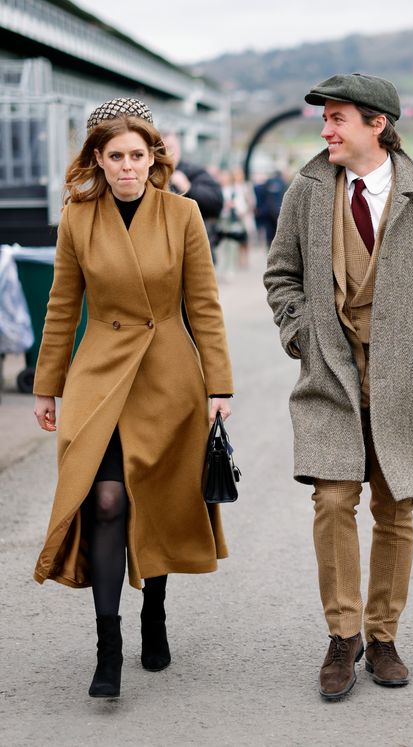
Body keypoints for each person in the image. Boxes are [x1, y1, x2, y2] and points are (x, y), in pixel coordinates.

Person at [263, 73, 413, 701]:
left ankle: (383, 637)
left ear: (377, 124)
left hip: (402, 377)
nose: (325, 130)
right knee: (331, 503)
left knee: (395, 508)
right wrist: (299, 333)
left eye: (337, 119)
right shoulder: (305, 192)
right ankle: (342, 635)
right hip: (329, 373)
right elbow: (282, 274)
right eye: (324, 120)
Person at [31, 98, 234, 699]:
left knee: (158, 497)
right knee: (109, 498)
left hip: (169, 378)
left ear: (153, 158)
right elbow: (63, 306)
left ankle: (155, 613)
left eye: (136, 156)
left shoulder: (184, 214)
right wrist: (48, 385)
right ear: (97, 158)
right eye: (115, 156)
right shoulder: (78, 217)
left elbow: (204, 306)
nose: (126, 167)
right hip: (99, 375)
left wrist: (220, 385)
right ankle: (108, 645)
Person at [162, 131, 224, 251]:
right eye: (160, 149)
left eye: (169, 148)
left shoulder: (194, 172)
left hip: (196, 246)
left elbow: (216, 201)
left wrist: (188, 188)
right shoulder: (149, 175)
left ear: (178, 148)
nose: (165, 153)